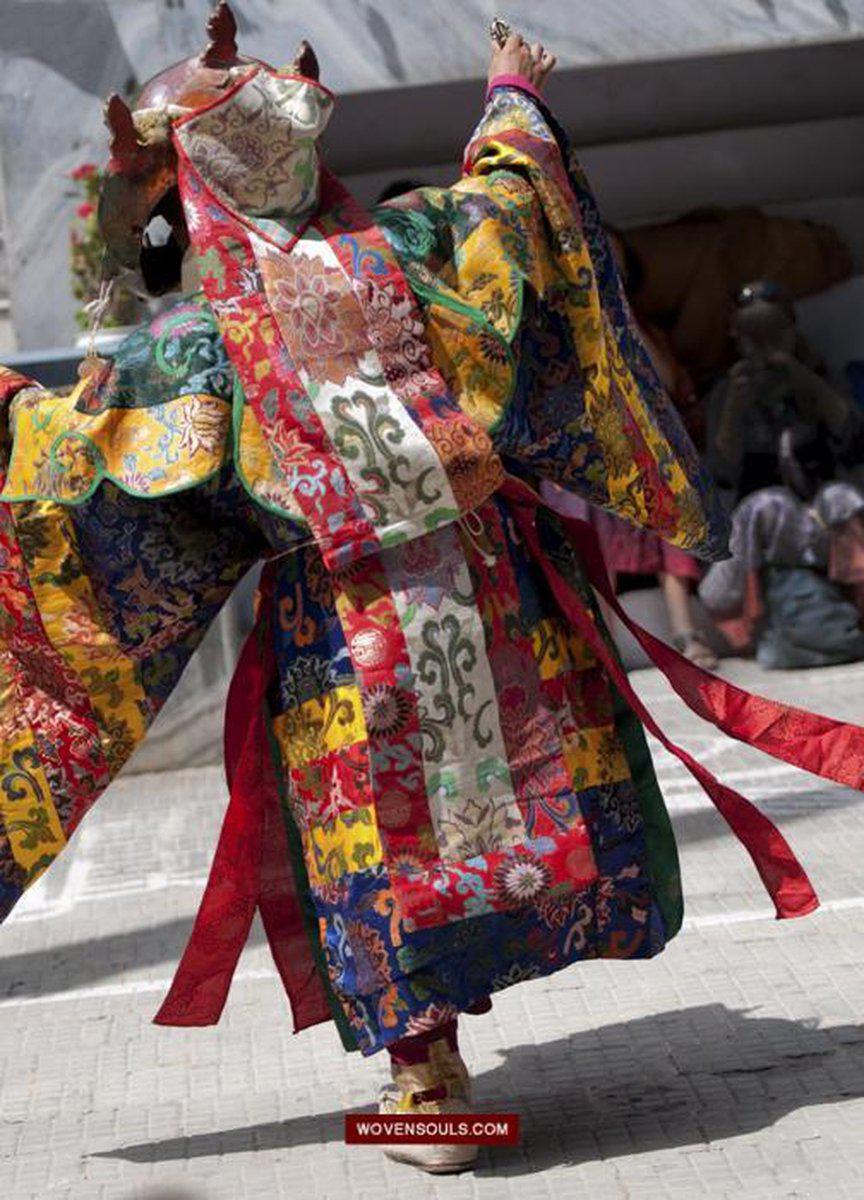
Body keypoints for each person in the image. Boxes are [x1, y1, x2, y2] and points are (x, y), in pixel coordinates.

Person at [1, 5, 860, 1175]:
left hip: (345, 621)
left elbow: (103, 450)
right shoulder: (412, 248)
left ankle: (428, 1080)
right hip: (494, 584)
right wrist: (508, 95)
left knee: (372, 820)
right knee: (518, 783)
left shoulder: (197, 341)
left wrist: (15, 400)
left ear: (196, 187)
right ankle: (497, 995)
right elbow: (510, 209)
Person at [544, 229, 717, 668]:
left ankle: (688, 636)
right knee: (592, 529)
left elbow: (667, 383)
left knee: (671, 528)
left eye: (613, 268)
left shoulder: (644, 330)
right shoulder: (564, 332)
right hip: (594, 459)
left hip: (648, 456)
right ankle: (604, 650)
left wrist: (622, 322)